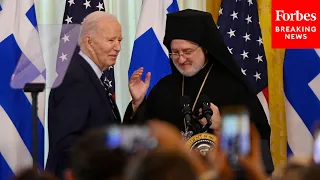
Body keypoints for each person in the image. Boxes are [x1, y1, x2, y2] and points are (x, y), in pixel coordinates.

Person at [124, 9, 274, 175]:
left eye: (187, 52)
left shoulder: (233, 88)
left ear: (206, 49)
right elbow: (142, 139)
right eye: (175, 53)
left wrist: (221, 125)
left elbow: (257, 140)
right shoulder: (163, 88)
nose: (181, 59)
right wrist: (138, 104)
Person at [46, 11, 150, 179]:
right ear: (89, 41)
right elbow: (68, 145)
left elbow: (108, 131)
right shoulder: (75, 79)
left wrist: (136, 104)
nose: (118, 47)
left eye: (119, 40)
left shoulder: (91, 76)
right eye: (111, 40)